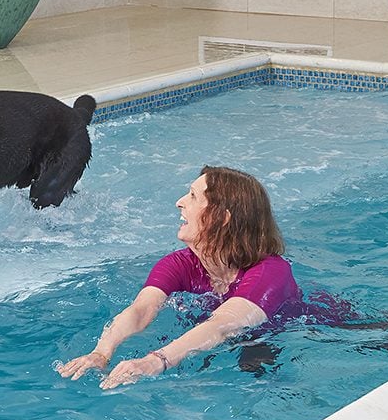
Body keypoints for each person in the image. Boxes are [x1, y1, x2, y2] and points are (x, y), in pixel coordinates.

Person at [58, 166, 301, 389]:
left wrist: (155, 362)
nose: (179, 202)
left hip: (295, 332)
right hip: (230, 337)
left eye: (194, 196)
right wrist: (102, 352)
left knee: (257, 379)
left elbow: (223, 325)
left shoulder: (271, 272)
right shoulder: (178, 264)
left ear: (222, 218)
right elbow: (142, 309)